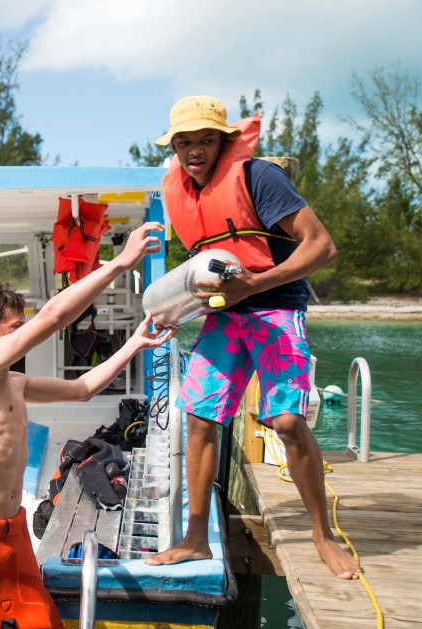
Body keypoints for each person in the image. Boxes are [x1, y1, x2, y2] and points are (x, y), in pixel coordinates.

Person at [0, 226, 174, 629]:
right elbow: (54, 316)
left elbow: (84, 390)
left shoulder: (14, 382)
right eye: (15, 327)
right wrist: (118, 264)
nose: (25, 333)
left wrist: (135, 342)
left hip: (13, 531)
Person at [143, 96, 361, 580]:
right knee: (198, 416)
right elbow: (208, 267)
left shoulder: (260, 177)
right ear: (174, 147)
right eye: (185, 142)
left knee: (285, 421)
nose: (195, 151)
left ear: (223, 141)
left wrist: (257, 285)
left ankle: (321, 534)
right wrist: (177, 309)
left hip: (277, 306)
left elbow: (322, 246)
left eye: (205, 140)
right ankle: (196, 538)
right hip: (224, 316)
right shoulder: (179, 190)